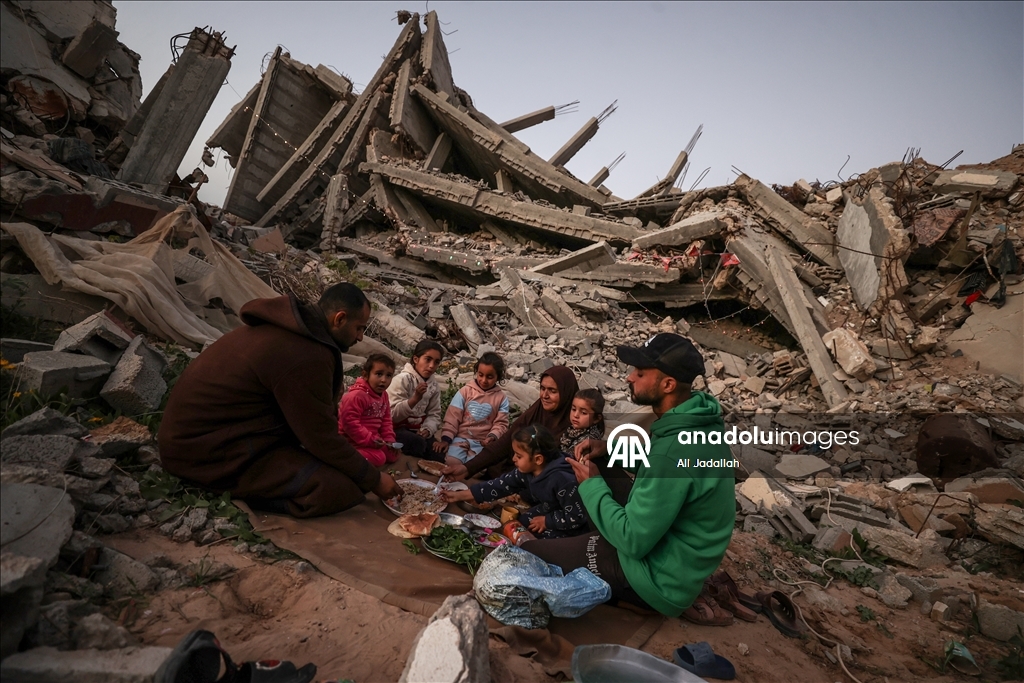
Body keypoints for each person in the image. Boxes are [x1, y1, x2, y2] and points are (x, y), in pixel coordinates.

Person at [522, 333, 735, 617]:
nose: (629, 378)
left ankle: (631, 593)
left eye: (640, 372)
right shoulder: (698, 420)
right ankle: (594, 536)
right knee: (602, 462)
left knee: (532, 553)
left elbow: (633, 540)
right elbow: (664, 469)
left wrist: (592, 486)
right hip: (681, 560)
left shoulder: (671, 452)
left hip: (657, 578)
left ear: (668, 384)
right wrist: (608, 449)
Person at [158, 283, 402, 518]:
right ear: (339, 319)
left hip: (201, 438)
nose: (360, 337)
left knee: (345, 467)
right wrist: (374, 479)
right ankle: (239, 493)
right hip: (201, 453)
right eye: (359, 328)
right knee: (342, 487)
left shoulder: (292, 331)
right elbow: (320, 437)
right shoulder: (307, 353)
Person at [443, 425, 588, 539]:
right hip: (548, 509)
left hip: (572, 524)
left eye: (518, 456)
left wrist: (547, 521)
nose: (513, 459)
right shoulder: (527, 471)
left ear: (538, 459)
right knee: (522, 523)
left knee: (536, 539)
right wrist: (458, 496)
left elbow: (577, 515)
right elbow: (499, 486)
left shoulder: (563, 480)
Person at [444, 365, 579, 480]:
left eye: (553, 391)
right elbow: (506, 441)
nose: (545, 395)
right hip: (518, 468)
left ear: (566, 393)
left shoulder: (576, 424)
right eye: (543, 389)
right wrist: (467, 468)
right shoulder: (537, 411)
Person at [434, 352, 510, 467]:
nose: (484, 380)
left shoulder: (501, 398)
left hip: (482, 443)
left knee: (475, 468)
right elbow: (452, 418)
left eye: (489, 377)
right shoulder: (465, 391)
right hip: (460, 438)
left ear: (498, 377)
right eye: (480, 375)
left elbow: (501, 424)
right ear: (476, 373)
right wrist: (446, 439)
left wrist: (491, 437)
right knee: (452, 463)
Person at [339, 354, 400, 467]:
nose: (383, 380)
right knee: (380, 458)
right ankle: (344, 455)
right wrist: (371, 440)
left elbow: (386, 420)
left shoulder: (384, 396)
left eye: (388, 376)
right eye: (379, 374)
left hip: (373, 440)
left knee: (393, 454)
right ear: (365, 375)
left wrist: (389, 439)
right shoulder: (356, 396)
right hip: (352, 441)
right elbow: (350, 424)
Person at [387, 340, 444, 460]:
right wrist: (415, 399)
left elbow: (434, 414)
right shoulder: (402, 380)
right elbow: (392, 415)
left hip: (419, 429)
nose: (431, 366)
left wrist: (428, 429)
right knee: (417, 444)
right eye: (427, 359)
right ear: (416, 359)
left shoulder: (433, 386)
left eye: (436, 362)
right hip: (397, 428)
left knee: (438, 453)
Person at [560, 388, 606, 456]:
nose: (576, 415)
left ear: (596, 419)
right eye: (574, 409)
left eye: (584, 413)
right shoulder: (572, 430)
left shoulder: (589, 441)